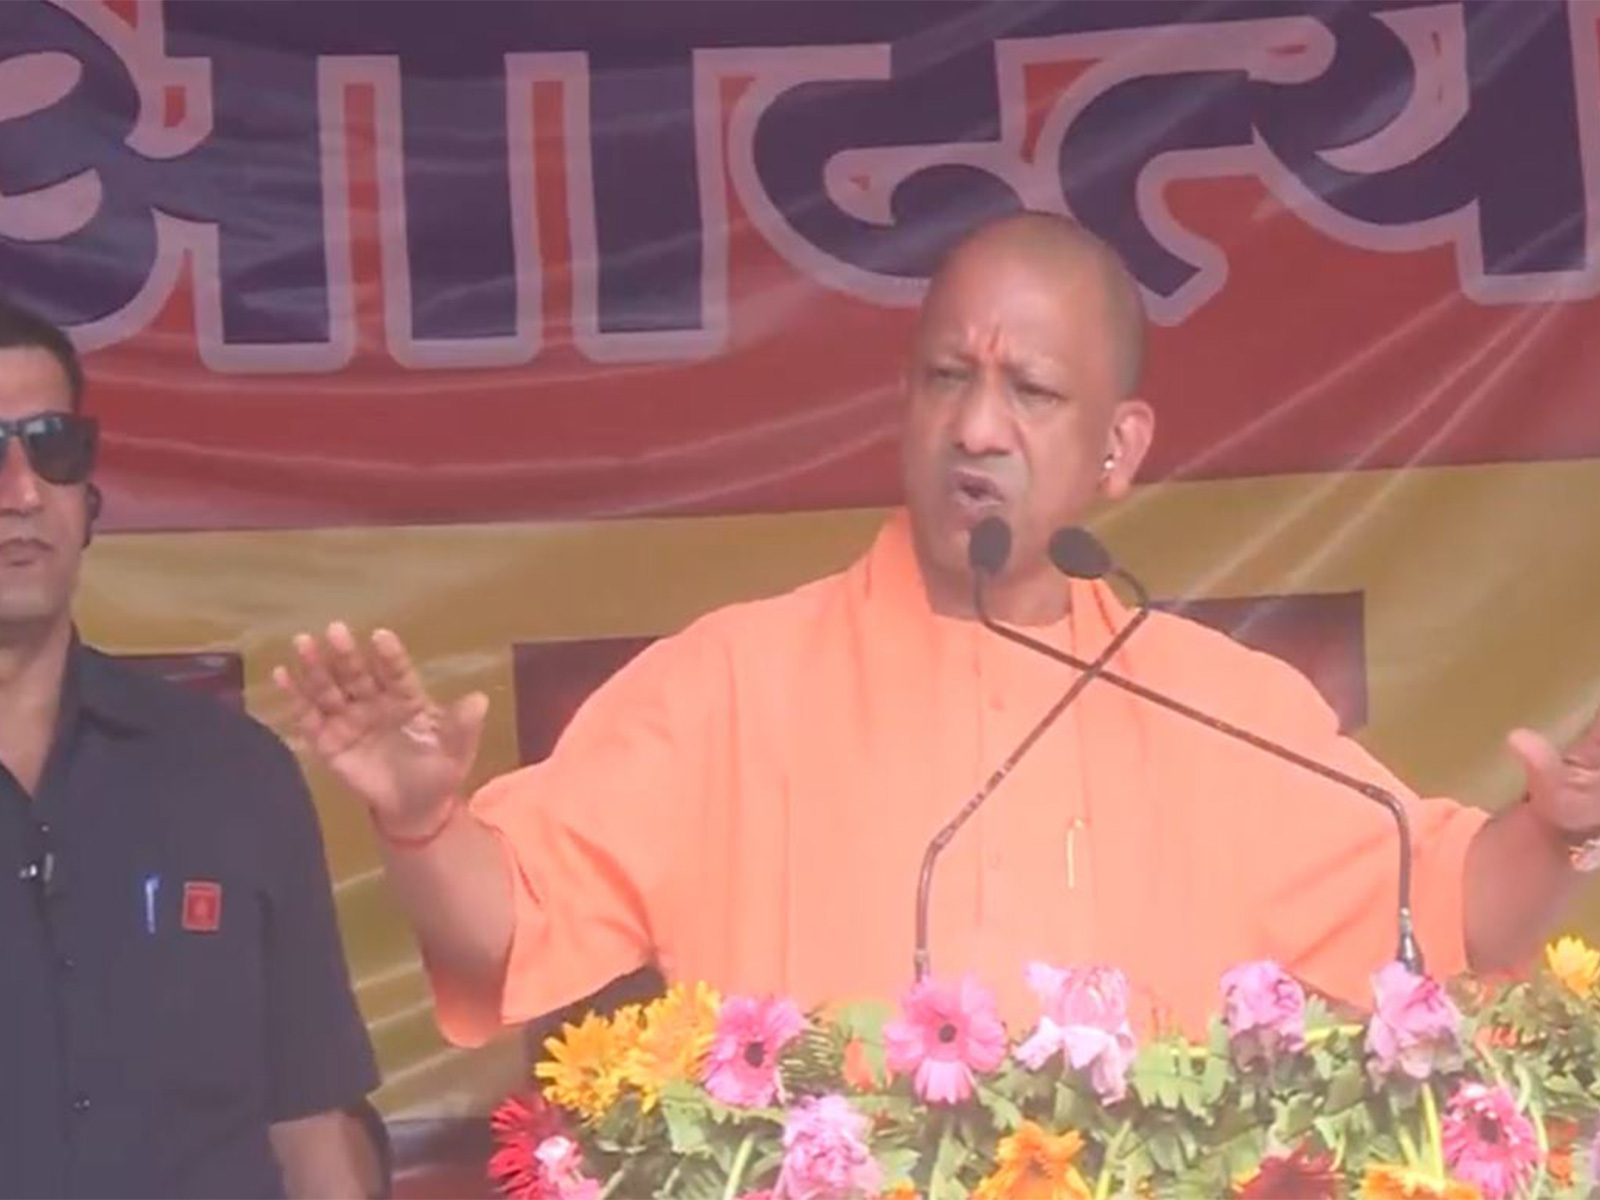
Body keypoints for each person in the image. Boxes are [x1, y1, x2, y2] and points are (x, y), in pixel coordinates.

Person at [275, 212, 1600, 1042]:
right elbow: (505, 928)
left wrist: (1555, 831)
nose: (976, 428)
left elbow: (1454, 913)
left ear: (1119, 448)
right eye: (947, 379)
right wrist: (422, 825)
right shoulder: (732, 683)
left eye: (1030, 392)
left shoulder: (1218, 704)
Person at [0, 296, 385, 1198]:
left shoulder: (230, 774)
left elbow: (309, 1120)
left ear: (88, 497)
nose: (21, 492)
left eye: (51, 447)